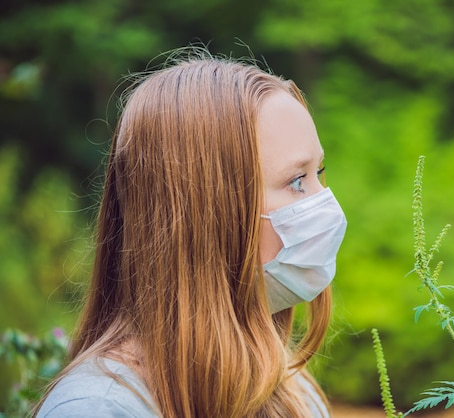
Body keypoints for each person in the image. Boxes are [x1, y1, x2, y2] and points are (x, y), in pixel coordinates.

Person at [35, 48, 347, 417]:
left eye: (318, 173)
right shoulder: (99, 408)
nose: (326, 204)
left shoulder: (291, 392)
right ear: (208, 211)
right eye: (297, 181)